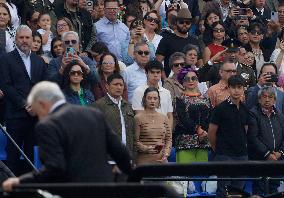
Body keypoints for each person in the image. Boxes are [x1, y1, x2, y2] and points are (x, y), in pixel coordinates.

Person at [2, 81, 132, 191]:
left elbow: (55, 168)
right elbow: (121, 152)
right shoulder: (93, 114)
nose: (39, 117)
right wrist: (127, 177)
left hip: (72, 191)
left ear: (42, 104)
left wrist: (21, 181)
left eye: (37, 112)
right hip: (105, 188)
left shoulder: (48, 125)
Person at [0, 25, 47, 176]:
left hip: (35, 117)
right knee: (13, 156)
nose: (25, 41)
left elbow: (43, 85)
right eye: (21, 37)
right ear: (16, 39)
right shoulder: (6, 59)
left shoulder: (39, 61)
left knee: (32, 157)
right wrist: (25, 104)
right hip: (15, 115)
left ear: (32, 40)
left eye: (28, 38)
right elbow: (6, 85)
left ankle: (30, 190)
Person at [208, 75, 249, 198]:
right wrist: (218, 150)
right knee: (223, 190)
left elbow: (245, 131)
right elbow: (211, 133)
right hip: (224, 155)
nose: (236, 90)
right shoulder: (220, 109)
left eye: (239, 87)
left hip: (242, 155)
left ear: (243, 89)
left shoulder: (245, 109)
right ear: (228, 89)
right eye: (233, 87)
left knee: (238, 191)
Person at [248, 86, 284, 196]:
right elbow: (252, 137)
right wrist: (267, 154)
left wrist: (280, 153)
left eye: (270, 97)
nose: (267, 99)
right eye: (264, 97)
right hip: (260, 160)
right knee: (260, 191)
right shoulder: (253, 113)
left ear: (275, 100)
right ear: (259, 99)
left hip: (277, 160)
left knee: (274, 191)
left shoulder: (280, 115)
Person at [93, 73, 135, 159]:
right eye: (115, 84)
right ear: (107, 86)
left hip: (127, 158)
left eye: (121, 85)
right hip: (107, 159)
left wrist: (133, 158)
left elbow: (132, 133)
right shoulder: (98, 106)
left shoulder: (128, 106)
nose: (119, 87)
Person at [175, 68, 210, 163]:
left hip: (203, 141)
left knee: (202, 175)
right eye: (187, 79)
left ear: (197, 80)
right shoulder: (180, 99)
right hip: (186, 142)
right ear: (183, 82)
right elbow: (183, 119)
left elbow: (209, 117)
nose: (190, 81)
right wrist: (199, 130)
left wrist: (205, 132)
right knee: (186, 175)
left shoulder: (206, 98)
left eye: (193, 78)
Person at [156, 8, 203, 77]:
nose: (184, 24)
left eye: (187, 22)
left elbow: (200, 63)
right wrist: (165, 79)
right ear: (176, 22)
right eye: (181, 22)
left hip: (190, 81)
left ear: (191, 24)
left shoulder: (194, 40)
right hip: (172, 81)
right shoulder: (166, 39)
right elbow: (158, 62)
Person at [135, 87, 172, 165]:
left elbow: (168, 139)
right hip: (144, 162)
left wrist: (166, 153)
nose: (152, 101)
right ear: (144, 99)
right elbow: (135, 141)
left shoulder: (164, 117)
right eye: (149, 98)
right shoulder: (138, 118)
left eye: (155, 98)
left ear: (158, 100)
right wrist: (146, 148)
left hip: (162, 161)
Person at [132, 60, 173, 129]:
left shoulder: (166, 93)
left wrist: (168, 134)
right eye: (152, 72)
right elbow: (139, 116)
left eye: (158, 72)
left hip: (164, 133)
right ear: (146, 73)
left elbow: (169, 116)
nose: (155, 75)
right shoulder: (139, 91)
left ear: (161, 73)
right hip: (147, 133)